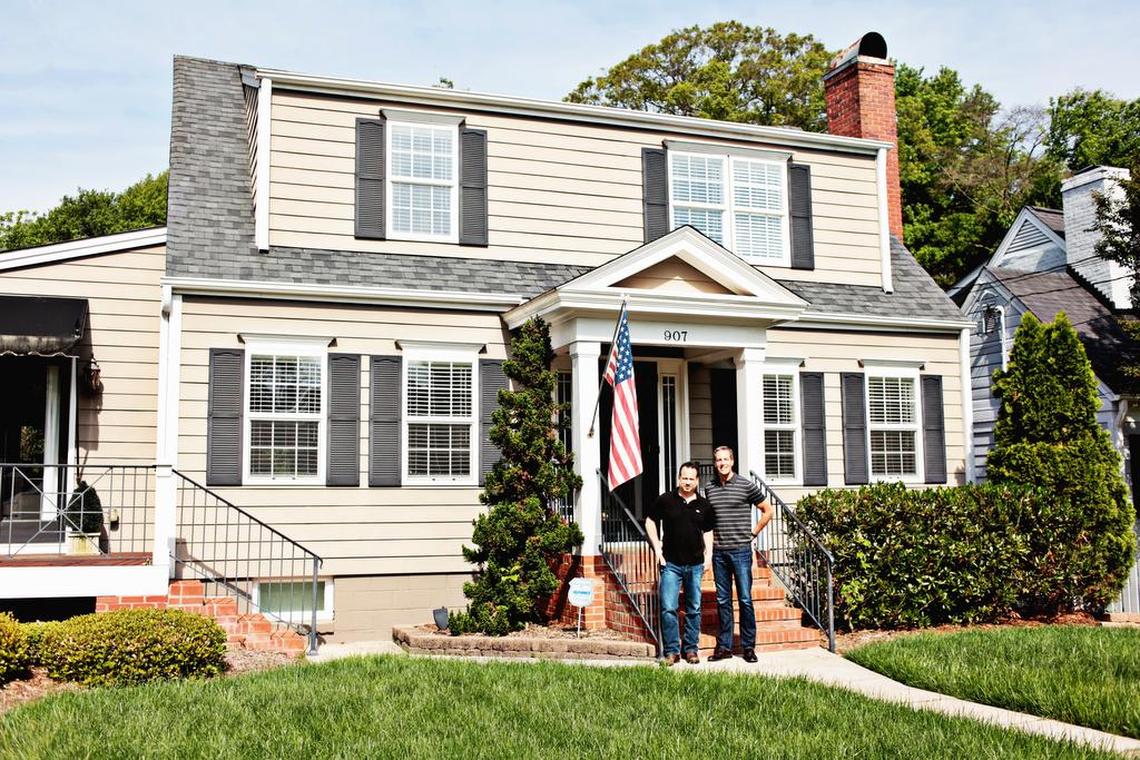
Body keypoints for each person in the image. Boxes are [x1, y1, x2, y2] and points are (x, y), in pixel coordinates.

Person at [705, 445, 773, 663]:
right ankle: (724, 647)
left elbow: (767, 510)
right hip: (719, 553)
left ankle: (748, 647)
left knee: (744, 599)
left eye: (725, 459)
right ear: (715, 463)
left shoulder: (745, 485)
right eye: (718, 460)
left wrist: (752, 534)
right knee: (723, 600)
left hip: (741, 551)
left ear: (732, 461)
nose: (722, 463)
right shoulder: (710, 488)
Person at [645, 461, 714, 666]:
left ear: (697, 480)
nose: (687, 482)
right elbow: (650, 520)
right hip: (671, 564)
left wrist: (708, 556)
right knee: (668, 607)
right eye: (684, 478)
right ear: (678, 478)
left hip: (695, 565)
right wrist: (657, 547)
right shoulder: (666, 500)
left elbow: (708, 531)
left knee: (694, 608)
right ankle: (672, 652)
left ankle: (691, 650)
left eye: (691, 479)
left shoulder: (704, 505)